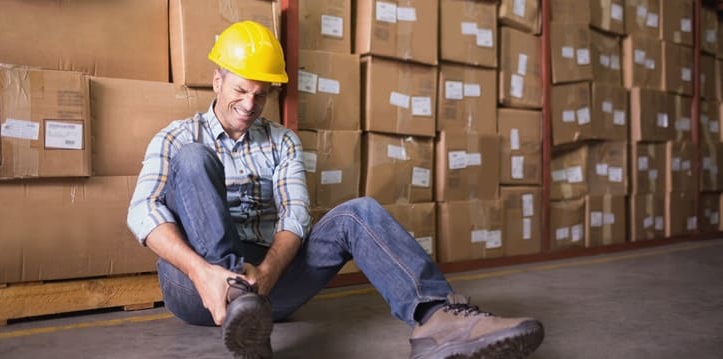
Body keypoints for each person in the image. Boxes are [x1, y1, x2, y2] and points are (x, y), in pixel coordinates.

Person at [127, 20, 545, 359]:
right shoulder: (177, 137)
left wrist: (267, 276)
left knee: (357, 212)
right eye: (240, 90)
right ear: (217, 81)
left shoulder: (282, 141)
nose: (250, 104)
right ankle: (237, 302)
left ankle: (437, 319)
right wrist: (204, 273)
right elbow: (142, 210)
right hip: (195, 284)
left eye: (261, 94)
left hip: (268, 282)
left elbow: (294, 216)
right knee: (194, 160)